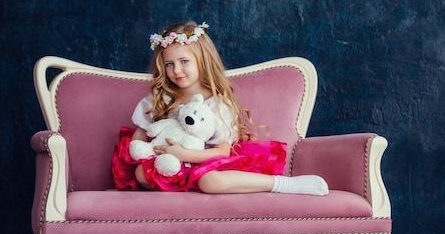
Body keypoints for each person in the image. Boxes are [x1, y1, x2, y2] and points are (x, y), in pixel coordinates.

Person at [112, 21, 328, 196]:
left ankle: (281, 184)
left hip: (206, 162)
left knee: (209, 181)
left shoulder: (217, 102)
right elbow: (139, 136)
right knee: (141, 173)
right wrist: (146, 152)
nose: (176, 70)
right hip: (170, 163)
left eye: (184, 61)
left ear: (202, 61)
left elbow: (221, 151)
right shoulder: (160, 97)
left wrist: (184, 154)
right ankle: (183, 186)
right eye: (169, 64)